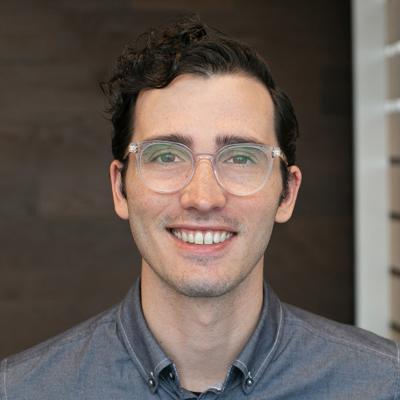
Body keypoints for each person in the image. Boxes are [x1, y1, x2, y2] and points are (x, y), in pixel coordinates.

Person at [1, 15, 399, 400]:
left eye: (241, 157)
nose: (204, 198)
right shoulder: (20, 391)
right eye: (166, 156)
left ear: (287, 193)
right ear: (120, 188)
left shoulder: (385, 385)